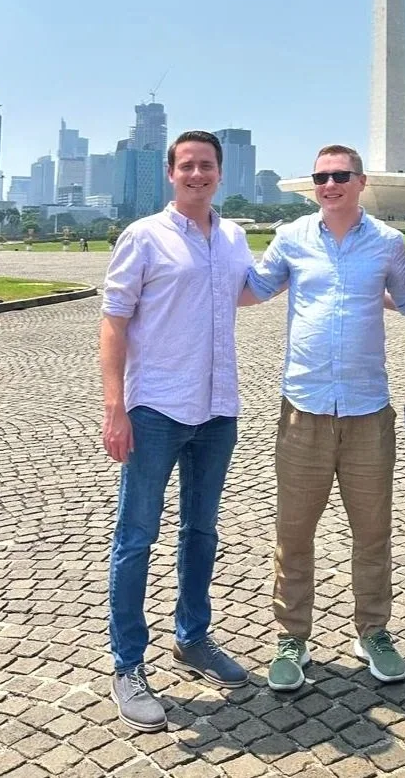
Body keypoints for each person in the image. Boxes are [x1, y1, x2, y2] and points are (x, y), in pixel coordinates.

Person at [244, 144, 405, 692]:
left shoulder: (389, 244)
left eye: (340, 175)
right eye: (321, 176)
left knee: (372, 533)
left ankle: (373, 631)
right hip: (304, 408)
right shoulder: (292, 237)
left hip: (369, 410)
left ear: (360, 181)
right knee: (293, 532)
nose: (330, 184)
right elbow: (253, 289)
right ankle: (291, 636)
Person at [100, 130, 253, 732]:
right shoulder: (144, 237)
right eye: (186, 165)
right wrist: (115, 408)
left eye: (207, 165)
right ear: (170, 173)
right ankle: (128, 663)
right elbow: (113, 322)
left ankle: (193, 636)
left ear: (221, 172)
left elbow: (248, 292)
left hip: (218, 408)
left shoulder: (236, 236)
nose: (197, 174)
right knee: (136, 536)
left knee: (202, 530)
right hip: (156, 408)